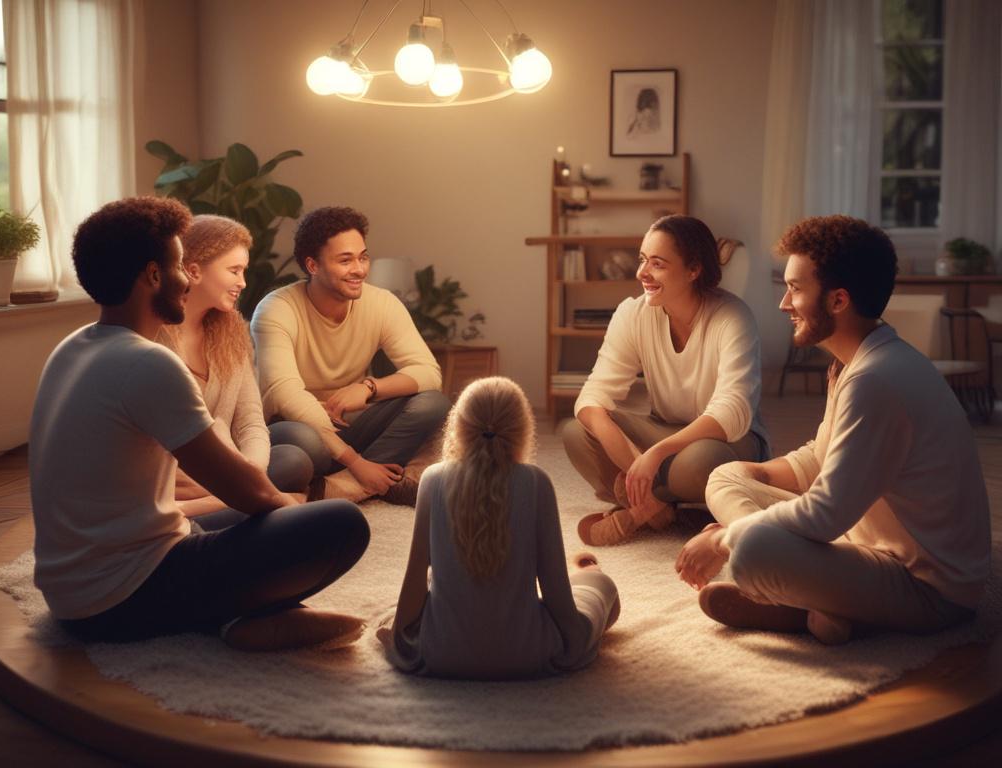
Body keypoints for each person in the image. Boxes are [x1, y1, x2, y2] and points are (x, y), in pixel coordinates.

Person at [29, 197, 370, 651]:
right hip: (122, 597)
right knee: (341, 523)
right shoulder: (148, 362)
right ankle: (235, 617)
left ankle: (242, 615)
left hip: (69, 596)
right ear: (153, 275)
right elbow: (248, 493)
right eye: (177, 266)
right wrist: (295, 517)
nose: (186, 278)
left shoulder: (72, 347)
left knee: (233, 520)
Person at [676, 215, 991, 645]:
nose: (784, 304)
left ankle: (810, 600)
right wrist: (760, 474)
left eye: (795, 289)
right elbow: (821, 457)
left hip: (928, 588)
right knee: (724, 477)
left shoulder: (875, 380)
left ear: (838, 300)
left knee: (750, 551)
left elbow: (824, 516)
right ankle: (817, 602)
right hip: (862, 541)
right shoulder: (856, 362)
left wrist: (723, 540)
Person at [378, 377, 620, 680]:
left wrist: (402, 638)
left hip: (442, 652)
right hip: (527, 653)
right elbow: (554, 589)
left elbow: (414, 578)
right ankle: (585, 574)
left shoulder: (432, 479)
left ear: (458, 427)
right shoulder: (536, 482)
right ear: (522, 430)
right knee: (602, 586)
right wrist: (576, 640)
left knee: (402, 604)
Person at [563, 215, 768, 546]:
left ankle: (643, 507)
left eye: (657, 264)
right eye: (642, 260)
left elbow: (732, 413)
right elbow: (592, 397)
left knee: (699, 463)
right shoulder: (633, 314)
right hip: (664, 429)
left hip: (728, 441)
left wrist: (655, 454)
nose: (642, 273)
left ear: (693, 270)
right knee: (577, 432)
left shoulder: (733, 318)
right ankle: (657, 507)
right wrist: (635, 464)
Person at [251, 206, 450, 505]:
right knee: (301, 450)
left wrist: (369, 387)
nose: (359, 269)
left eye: (363, 257)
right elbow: (284, 394)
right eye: (345, 260)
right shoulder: (277, 308)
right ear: (312, 265)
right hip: (299, 427)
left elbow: (428, 372)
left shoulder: (381, 303)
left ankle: (339, 487)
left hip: (350, 424)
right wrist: (356, 461)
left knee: (433, 403)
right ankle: (368, 477)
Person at [157, 214, 313, 525]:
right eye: (234, 270)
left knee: (297, 456)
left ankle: (242, 503)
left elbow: (250, 418)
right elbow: (164, 449)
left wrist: (250, 473)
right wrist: (244, 484)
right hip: (174, 481)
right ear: (193, 271)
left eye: (244, 271)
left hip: (226, 467)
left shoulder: (231, 332)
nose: (243, 282)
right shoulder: (154, 338)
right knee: (292, 468)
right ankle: (253, 504)